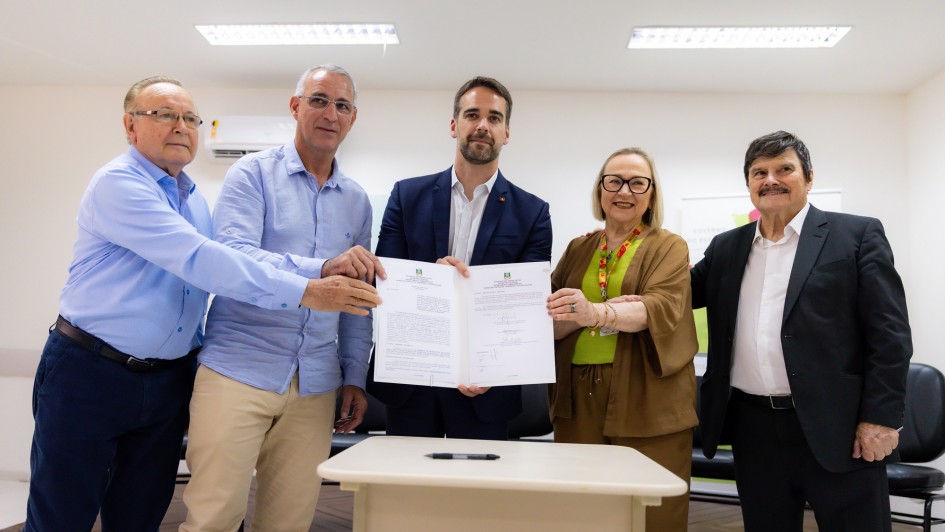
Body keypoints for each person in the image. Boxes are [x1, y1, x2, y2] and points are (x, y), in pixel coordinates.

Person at [25, 76, 380, 532]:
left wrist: (353, 371)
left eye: (190, 118)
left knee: (140, 514)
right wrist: (313, 282)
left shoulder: (192, 200)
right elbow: (210, 259)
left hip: (173, 378)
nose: (181, 126)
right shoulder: (120, 183)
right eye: (164, 115)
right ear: (130, 127)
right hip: (94, 370)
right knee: (64, 513)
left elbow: (356, 294)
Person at [179, 65, 383, 532]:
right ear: (295, 107)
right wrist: (321, 271)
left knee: (288, 524)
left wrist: (354, 375)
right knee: (212, 519)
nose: (330, 113)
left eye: (342, 105)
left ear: (353, 119)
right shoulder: (250, 175)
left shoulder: (357, 200)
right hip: (238, 371)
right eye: (318, 100)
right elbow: (234, 258)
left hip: (314, 386)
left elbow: (357, 296)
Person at [690, 130, 912, 532]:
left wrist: (880, 418)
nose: (770, 179)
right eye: (759, 172)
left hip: (840, 427)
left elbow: (890, 335)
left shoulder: (856, 235)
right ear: (749, 184)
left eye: (784, 169)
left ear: (809, 178)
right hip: (752, 427)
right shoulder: (726, 248)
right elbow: (674, 295)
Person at [367, 76, 552, 440]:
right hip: (413, 380)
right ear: (454, 125)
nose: (483, 125)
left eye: (494, 118)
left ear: (507, 133)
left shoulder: (533, 212)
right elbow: (384, 279)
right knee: (407, 493)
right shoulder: (407, 196)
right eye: (472, 114)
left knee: (476, 494)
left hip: (486, 387)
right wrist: (433, 281)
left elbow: (522, 306)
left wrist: (492, 371)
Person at [545, 147, 698, 530]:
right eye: (613, 180)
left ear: (651, 194)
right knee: (582, 509)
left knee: (651, 511)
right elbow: (549, 317)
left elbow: (658, 308)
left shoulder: (669, 245)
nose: (623, 190)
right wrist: (608, 311)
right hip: (577, 396)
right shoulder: (579, 248)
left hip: (647, 395)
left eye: (636, 182)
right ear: (600, 190)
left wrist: (593, 312)